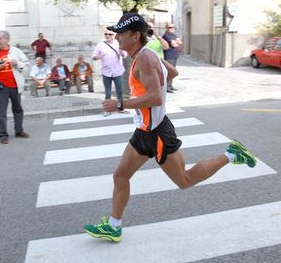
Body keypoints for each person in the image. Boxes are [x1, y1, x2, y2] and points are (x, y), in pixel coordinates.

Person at [83, 13, 257, 243]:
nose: (116, 37)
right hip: (144, 131)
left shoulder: (145, 58)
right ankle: (114, 226)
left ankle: (231, 154)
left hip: (157, 134)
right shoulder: (146, 55)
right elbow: (172, 73)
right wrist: (156, 81)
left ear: (135, 35)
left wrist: (120, 104)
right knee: (120, 175)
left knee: (184, 180)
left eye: (120, 33)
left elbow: (154, 97)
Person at [0, 30, 30, 144]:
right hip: (0, 87)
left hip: (15, 85)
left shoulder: (16, 51)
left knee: (18, 109)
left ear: (7, 39)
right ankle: (3, 135)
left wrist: (17, 63)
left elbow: (26, 66)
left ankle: (19, 131)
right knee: (1, 111)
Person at [92, 30, 126, 116]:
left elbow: (125, 54)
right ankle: (107, 110)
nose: (107, 36)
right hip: (106, 72)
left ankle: (120, 108)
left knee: (119, 91)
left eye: (110, 34)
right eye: (106, 34)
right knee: (108, 92)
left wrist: (122, 53)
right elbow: (94, 56)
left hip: (117, 71)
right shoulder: (100, 45)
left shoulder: (118, 43)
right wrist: (97, 57)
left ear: (113, 35)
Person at [162, 22, 182, 93]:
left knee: (172, 71)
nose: (172, 28)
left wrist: (176, 42)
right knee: (169, 72)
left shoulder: (173, 35)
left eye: (173, 27)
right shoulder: (166, 35)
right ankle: (167, 87)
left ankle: (170, 85)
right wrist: (176, 42)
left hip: (174, 55)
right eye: (170, 27)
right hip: (169, 56)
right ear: (167, 28)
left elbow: (180, 42)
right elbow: (174, 45)